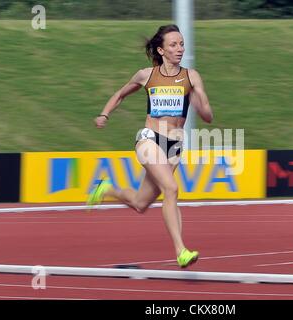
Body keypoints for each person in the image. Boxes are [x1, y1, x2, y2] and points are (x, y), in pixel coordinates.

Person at [88, 24, 213, 268]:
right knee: (171, 188)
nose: (180, 49)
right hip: (149, 139)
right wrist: (104, 114)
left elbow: (208, 116)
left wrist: (200, 105)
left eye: (181, 44)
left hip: (174, 146)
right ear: (161, 50)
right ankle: (181, 251)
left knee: (140, 204)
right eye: (173, 45)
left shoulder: (192, 76)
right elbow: (121, 94)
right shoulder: (146, 75)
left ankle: (105, 189)